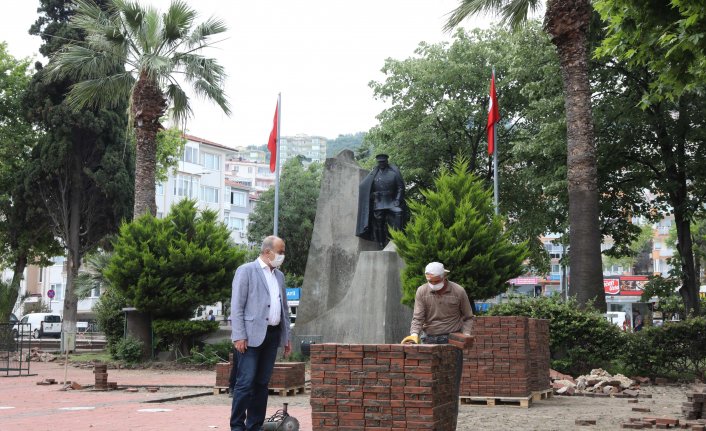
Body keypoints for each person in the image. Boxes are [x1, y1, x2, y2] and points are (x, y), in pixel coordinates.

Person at [230, 236, 292, 431]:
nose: (282, 256)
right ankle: (237, 426)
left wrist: (286, 337)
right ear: (267, 252)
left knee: (262, 384)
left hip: (272, 336)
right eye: (280, 252)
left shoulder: (279, 276)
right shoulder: (246, 271)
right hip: (249, 338)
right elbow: (237, 307)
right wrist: (239, 335)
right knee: (245, 384)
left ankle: (255, 426)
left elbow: (284, 309)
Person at [406, 262, 473, 424]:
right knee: (428, 384)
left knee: (451, 385)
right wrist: (414, 335)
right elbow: (418, 317)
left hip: (452, 342)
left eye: (436, 281)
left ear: (444, 277)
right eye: (431, 281)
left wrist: (466, 334)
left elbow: (468, 317)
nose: (433, 284)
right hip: (429, 340)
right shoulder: (422, 291)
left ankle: (450, 423)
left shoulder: (458, 291)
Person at [356, 154, 407, 249]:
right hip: (378, 202)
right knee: (378, 221)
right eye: (380, 162)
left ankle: (396, 238)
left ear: (387, 161)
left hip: (391, 201)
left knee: (398, 212)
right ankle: (380, 242)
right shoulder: (373, 175)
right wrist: (372, 196)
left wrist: (397, 199)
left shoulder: (394, 173)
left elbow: (400, 187)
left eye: (383, 161)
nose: (382, 163)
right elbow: (366, 188)